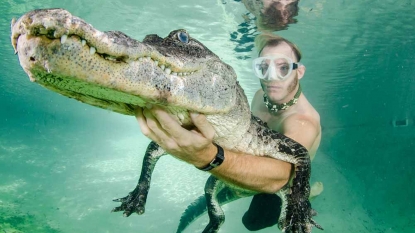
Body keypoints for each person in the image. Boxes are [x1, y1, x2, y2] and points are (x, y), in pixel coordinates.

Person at [134, 33, 323, 231]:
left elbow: (278, 177)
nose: (271, 77)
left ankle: (308, 195)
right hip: (256, 157)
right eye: (264, 67)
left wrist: (207, 156)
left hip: (284, 181)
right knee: (212, 188)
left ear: (299, 71)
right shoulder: (261, 96)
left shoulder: (304, 122)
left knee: (251, 223)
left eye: (283, 68)